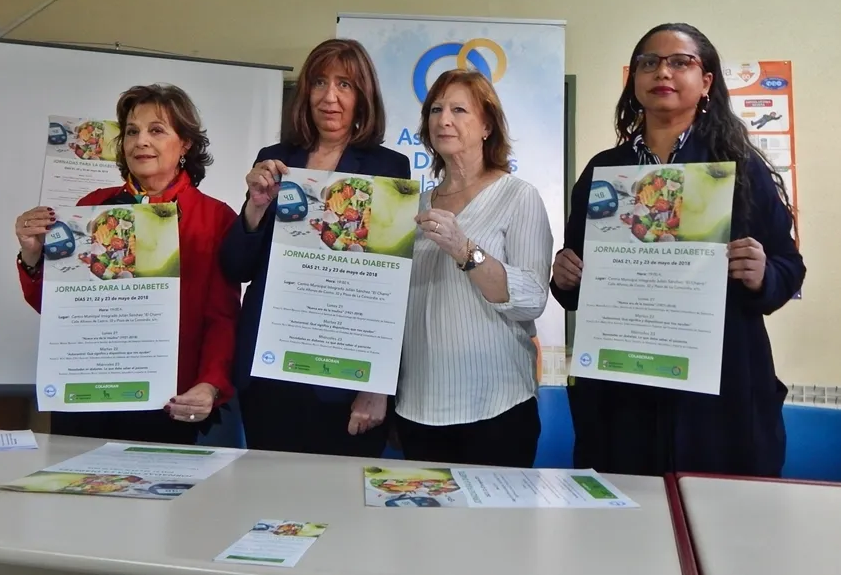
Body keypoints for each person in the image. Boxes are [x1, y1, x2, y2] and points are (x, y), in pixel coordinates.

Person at [551, 23, 806, 477]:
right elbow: (577, 276)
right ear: (635, 81)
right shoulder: (606, 170)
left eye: (679, 61)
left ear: (706, 81)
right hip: (623, 388)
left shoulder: (739, 167)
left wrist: (765, 273)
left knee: (721, 528)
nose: (661, 71)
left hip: (718, 394)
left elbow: (790, 266)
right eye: (648, 62)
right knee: (625, 527)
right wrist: (565, 276)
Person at [15, 84, 241, 445]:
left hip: (170, 401)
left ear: (184, 144)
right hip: (88, 392)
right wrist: (31, 254)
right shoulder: (91, 207)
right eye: (132, 131)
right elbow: (58, 308)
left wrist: (210, 385)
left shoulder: (215, 218)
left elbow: (222, 318)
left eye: (156, 130)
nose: (141, 142)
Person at [220, 38, 410, 457]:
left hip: (343, 375)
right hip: (271, 368)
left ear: (363, 97)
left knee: (341, 510)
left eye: (345, 84)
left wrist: (377, 386)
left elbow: (390, 292)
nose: (329, 97)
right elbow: (236, 267)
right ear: (305, 92)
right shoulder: (275, 160)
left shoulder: (387, 168)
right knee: (270, 499)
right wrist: (255, 205)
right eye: (320, 83)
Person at [395, 69, 553, 468]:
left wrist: (465, 249)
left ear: (486, 126)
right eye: (435, 109)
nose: (443, 119)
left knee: (494, 532)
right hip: (416, 405)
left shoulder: (519, 196)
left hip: (496, 407)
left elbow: (532, 298)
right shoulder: (409, 204)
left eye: (459, 109)